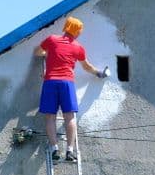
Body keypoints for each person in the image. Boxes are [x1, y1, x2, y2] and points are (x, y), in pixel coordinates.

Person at [34, 16, 108, 162]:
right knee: (69, 117)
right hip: (67, 83)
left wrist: (47, 53)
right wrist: (98, 73)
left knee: (50, 117)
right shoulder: (78, 47)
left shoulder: (52, 40)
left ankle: (54, 148)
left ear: (66, 28)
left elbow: (37, 52)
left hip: (50, 82)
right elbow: (87, 67)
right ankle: (70, 150)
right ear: (77, 32)